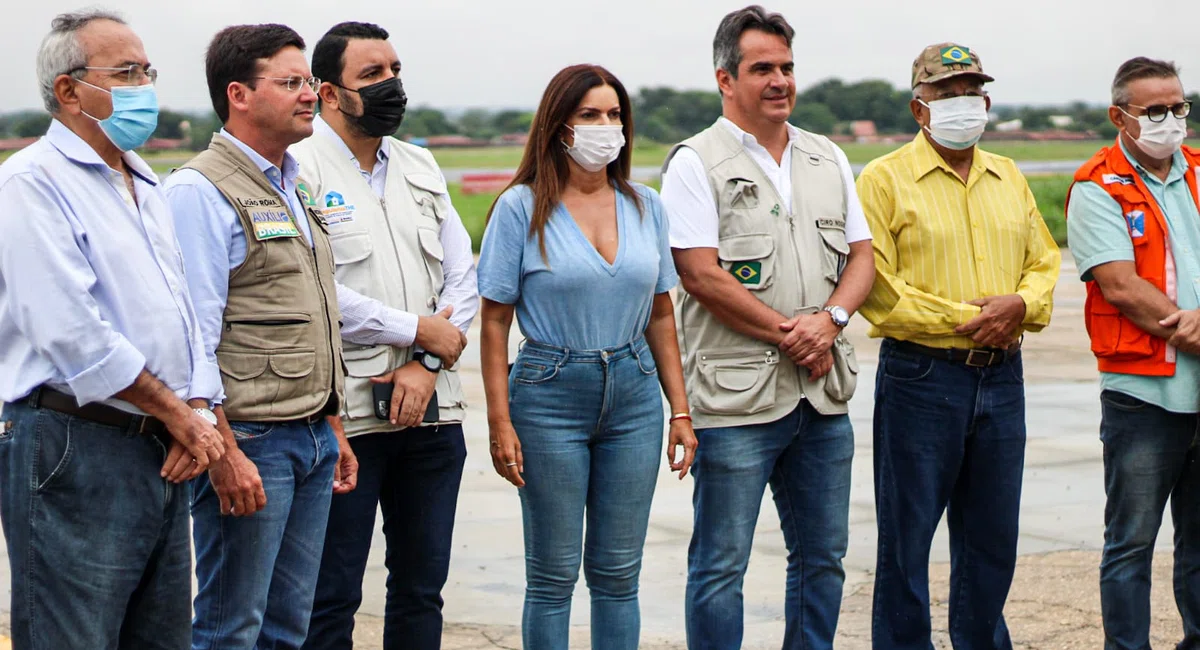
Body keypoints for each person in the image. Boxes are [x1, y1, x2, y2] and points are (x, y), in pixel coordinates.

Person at [0, 8, 226, 649]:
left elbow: (186, 314)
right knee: (75, 636)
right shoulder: (32, 183)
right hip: (77, 442)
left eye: (147, 70)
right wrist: (182, 417)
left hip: (160, 445)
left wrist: (198, 410)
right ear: (69, 90)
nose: (144, 86)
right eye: (125, 73)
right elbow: (70, 332)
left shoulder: (144, 181)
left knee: (158, 637)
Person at [659, 6, 875, 648]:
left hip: (821, 395)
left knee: (823, 559)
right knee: (721, 567)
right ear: (726, 79)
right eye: (762, 69)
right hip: (735, 403)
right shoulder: (695, 162)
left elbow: (862, 255)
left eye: (786, 67)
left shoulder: (825, 155)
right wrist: (794, 332)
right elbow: (699, 273)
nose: (779, 80)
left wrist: (831, 322)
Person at [477, 63, 697, 650]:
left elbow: (660, 312)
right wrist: (500, 422)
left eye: (614, 115)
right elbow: (495, 321)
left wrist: (679, 408)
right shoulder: (521, 209)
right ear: (559, 126)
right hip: (549, 393)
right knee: (551, 576)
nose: (607, 126)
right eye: (590, 115)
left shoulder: (646, 205)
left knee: (618, 574)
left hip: (633, 395)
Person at [857, 43, 1060, 649]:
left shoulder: (1009, 175)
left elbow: (1044, 262)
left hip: (1003, 378)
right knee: (907, 537)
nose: (962, 103)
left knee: (992, 538)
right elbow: (878, 287)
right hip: (923, 379)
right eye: (947, 93)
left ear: (988, 102)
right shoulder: (883, 179)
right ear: (920, 108)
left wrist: (1020, 306)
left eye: (971, 92)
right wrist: (971, 319)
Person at [165, 24, 356, 649]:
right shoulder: (199, 191)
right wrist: (223, 452)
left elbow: (310, 307)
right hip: (248, 438)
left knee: (286, 628)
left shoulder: (290, 183)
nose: (310, 95)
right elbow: (191, 333)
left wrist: (330, 423)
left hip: (308, 433)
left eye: (311, 82)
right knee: (230, 627)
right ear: (239, 95)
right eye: (292, 82)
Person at [293, 21, 478, 650]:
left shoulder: (420, 165)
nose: (391, 85)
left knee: (422, 591)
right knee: (332, 594)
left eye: (394, 70)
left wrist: (426, 358)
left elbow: (463, 276)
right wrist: (411, 327)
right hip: (346, 419)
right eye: (372, 75)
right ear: (328, 93)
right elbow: (312, 290)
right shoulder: (299, 169)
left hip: (431, 413)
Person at [1065, 57, 1200, 650]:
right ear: (1120, 116)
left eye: (1179, 107)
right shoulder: (1096, 187)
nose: (1171, 120)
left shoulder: (1199, 170)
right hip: (1144, 397)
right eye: (1156, 111)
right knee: (1132, 543)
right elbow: (1120, 285)